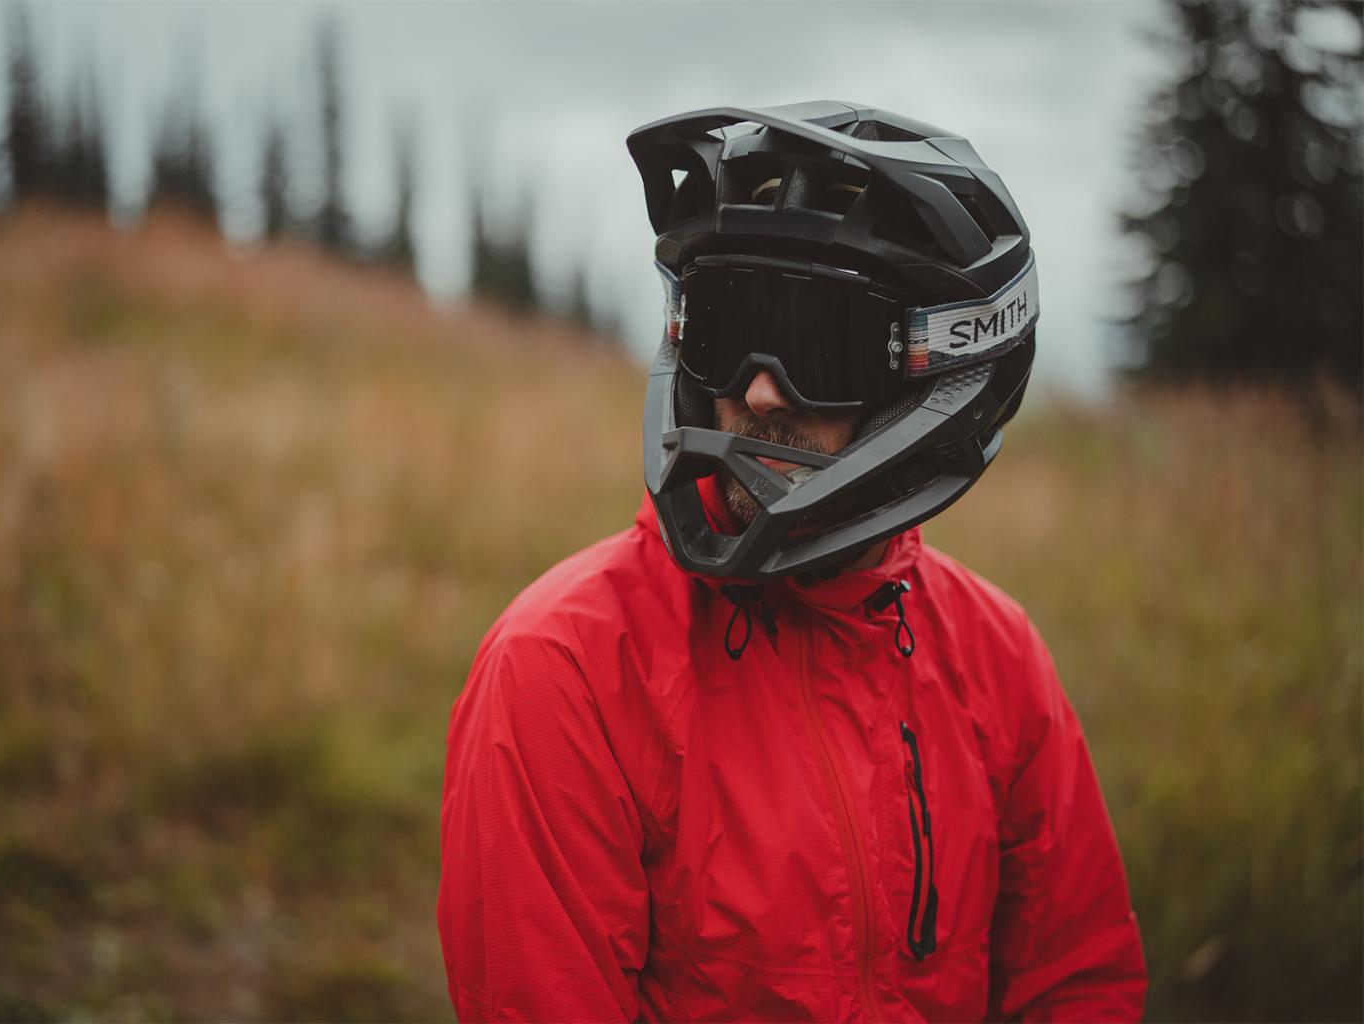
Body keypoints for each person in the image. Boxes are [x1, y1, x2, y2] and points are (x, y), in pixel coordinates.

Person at [438, 102, 1147, 1022]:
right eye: (734, 327)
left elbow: (1077, 983)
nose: (760, 389)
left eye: (820, 343)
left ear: (927, 371)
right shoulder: (565, 671)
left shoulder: (994, 656)